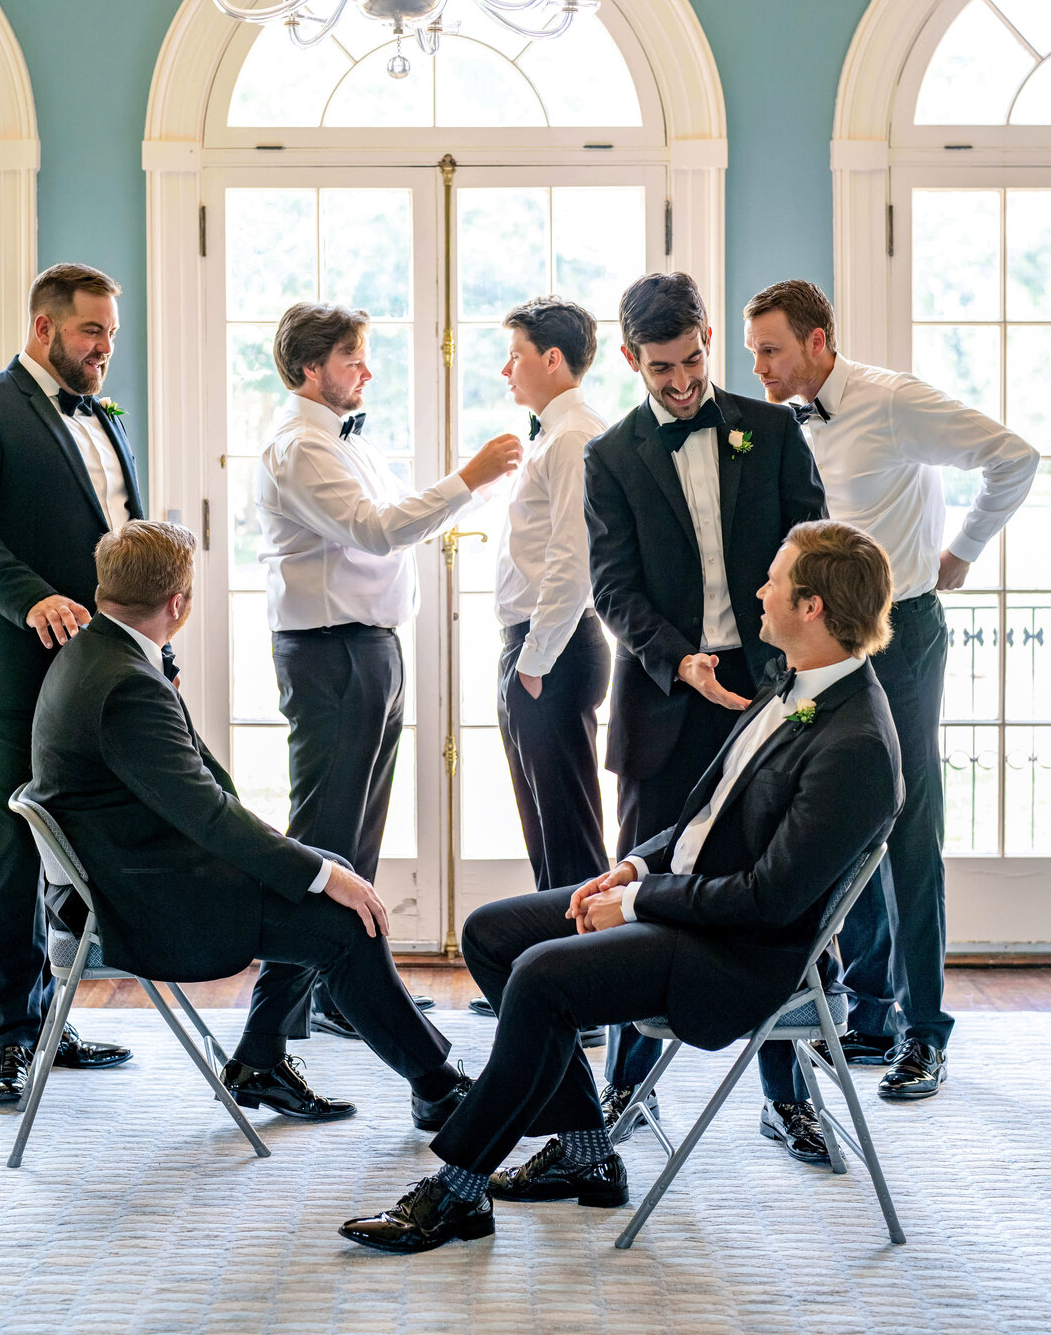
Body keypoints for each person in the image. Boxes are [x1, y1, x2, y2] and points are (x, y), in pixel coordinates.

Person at [340, 521, 903, 1253]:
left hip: (739, 956)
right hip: (688, 908)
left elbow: (768, 902)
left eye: (775, 578)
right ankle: (584, 1151)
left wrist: (636, 904)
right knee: (492, 934)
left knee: (542, 975)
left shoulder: (855, 742)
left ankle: (456, 1189)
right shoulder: (790, 684)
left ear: (813, 608)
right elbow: (705, 814)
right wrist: (634, 868)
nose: (759, 590)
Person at [27, 520, 470, 1126]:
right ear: (177, 604)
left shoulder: (93, 652)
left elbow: (197, 793)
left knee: (324, 876)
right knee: (346, 917)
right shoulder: (126, 684)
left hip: (129, 867)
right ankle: (440, 1088)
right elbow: (208, 813)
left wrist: (314, 870)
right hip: (143, 899)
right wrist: (318, 875)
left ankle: (264, 1059)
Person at [744, 279, 1038, 1100]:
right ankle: (868, 1010)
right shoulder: (774, 426)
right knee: (841, 819)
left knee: (910, 825)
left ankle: (925, 1033)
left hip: (902, 635)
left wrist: (964, 550)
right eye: (753, 352)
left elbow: (1015, 455)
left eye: (771, 350)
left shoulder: (893, 401)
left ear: (818, 339)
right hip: (817, 646)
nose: (760, 367)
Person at [582, 272, 827, 1152]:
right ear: (629, 360)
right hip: (663, 694)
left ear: (709, 340)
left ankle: (787, 1091)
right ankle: (626, 1088)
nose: (681, 382)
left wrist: (777, 668)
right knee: (636, 892)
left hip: (768, 687)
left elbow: (811, 545)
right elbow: (612, 587)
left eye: (692, 361)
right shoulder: (608, 456)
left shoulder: (770, 429)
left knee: (777, 890)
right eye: (661, 370)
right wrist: (677, 660)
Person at [254, 302, 522, 1042]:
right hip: (330, 653)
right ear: (311, 370)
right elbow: (376, 530)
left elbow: (392, 519)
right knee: (322, 845)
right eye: (351, 359)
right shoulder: (300, 447)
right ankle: (263, 1039)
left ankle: (337, 993)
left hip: (368, 648)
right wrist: (466, 479)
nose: (366, 371)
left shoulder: (341, 439)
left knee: (356, 838)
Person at [0, 262, 141, 1106]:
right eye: (93, 332)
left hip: (97, 672)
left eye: (112, 336)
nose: (104, 351)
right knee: (21, 844)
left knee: (75, 845)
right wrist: (34, 599)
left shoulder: (105, 418)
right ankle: (8, 1039)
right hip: (7, 671)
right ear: (46, 327)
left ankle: (50, 1019)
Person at [495, 297, 610, 894]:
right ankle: (548, 975)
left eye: (515, 356)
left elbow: (574, 558)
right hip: (534, 645)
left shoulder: (572, 438)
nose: (506, 369)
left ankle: (584, 978)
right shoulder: (552, 434)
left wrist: (535, 660)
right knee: (543, 827)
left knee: (568, 833)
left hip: (555, 651)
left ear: (553, 359)